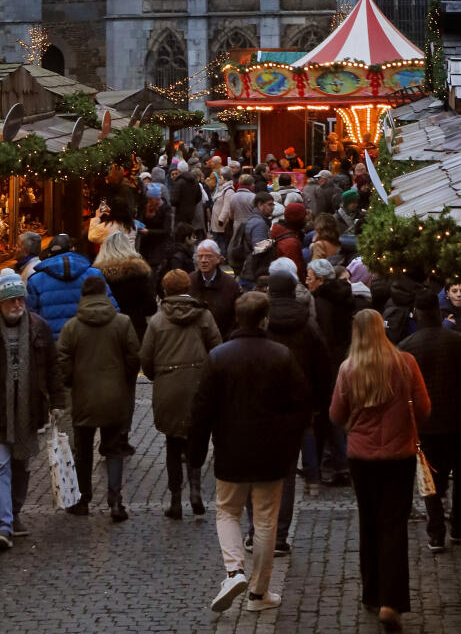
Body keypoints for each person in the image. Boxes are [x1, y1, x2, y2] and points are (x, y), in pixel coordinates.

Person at [190, 289, 310, 616]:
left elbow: (202, 410)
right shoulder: (282, 355)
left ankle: (233, 572)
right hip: (271, 453)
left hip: (230, 449)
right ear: (265, 318)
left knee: (227, 511)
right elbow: (301, 407)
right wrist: (287, 442)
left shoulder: (219, 356)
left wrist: (196, 454)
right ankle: (259, 592)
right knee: (266, 521)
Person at [330, 308, 431, 632]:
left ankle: (372, 593)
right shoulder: (405, 364)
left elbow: (336, 413)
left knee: (369, 522)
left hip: (362, 457)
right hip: (398, 455)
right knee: (394, 526)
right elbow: (425, 408)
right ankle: (392, 600)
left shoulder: (348, 369)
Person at [0, 267, 62, 552]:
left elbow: (53, 368)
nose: (17, 305)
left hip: (29, 410)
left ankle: (15, 513)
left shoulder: (39, 327)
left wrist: (57, 402)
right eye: (11, 301)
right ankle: (3, 525)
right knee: (0, 466)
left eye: (20, 299)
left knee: (21, 465)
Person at [400, 287, 461, 551]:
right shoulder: (458, 341)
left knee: (429, 479)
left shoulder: (407, 348)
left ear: (417, 314)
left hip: (425, 426)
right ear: (438, 312)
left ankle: (436, 533)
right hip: (456, 422)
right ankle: (458, 526)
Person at [57, 274, 140, 522]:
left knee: (83, 451)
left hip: (83, 397)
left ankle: (83, 500)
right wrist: (123, 380)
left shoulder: (72, 326)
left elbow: (62, 360)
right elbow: (134, 356)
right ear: (105, 294)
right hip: (115, 396)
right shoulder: (122, 323)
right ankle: (115, 502)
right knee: (114, 450)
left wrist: (72, 381)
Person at [140, 268, 221, 520]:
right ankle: (195, 489)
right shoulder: (204, 315)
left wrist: (159, 377)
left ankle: (175, 499)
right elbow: (217, 349)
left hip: (169, 387)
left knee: (173, 445)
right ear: (188, 288)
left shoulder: (156, 321)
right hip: (198, 386)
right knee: (197, 439)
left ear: (165, 290)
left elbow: (146, 358)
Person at [262, 260, 331, 544]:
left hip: (264, 405)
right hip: (298, 405)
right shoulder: (307, 323)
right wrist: (319, 401)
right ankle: (279, 536)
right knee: (288, 471)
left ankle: (258, 532)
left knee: (263, 469)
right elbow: (323, 366)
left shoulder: (261, 321)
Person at [306, 256, 355, 484]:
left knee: (330, 415)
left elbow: (324, 337)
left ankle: (339, 463)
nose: (307, 281)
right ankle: (336, 461)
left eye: (309, 277)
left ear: (321, 279)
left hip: (331, 365)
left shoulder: (322, 303)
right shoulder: (342, 296)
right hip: (341, 360)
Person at [27, 234, 107, 337]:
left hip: (52, 342)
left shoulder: (35, 280)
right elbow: (108, 308)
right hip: (89, 339)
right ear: (73, 249)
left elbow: (32, 317)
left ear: (50, 253)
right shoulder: (94, 274)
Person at [95, 228, 157, 339]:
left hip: (105, 331)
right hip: (135, 329)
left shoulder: (97, 274)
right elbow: (151, 307)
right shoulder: (139, 272)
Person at [190, 238, 241, 335]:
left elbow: (235, 318)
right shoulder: (190, 281)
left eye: (208, 256)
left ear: (218, 258)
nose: (203, 260)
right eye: (200, 257)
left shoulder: (230, 285)